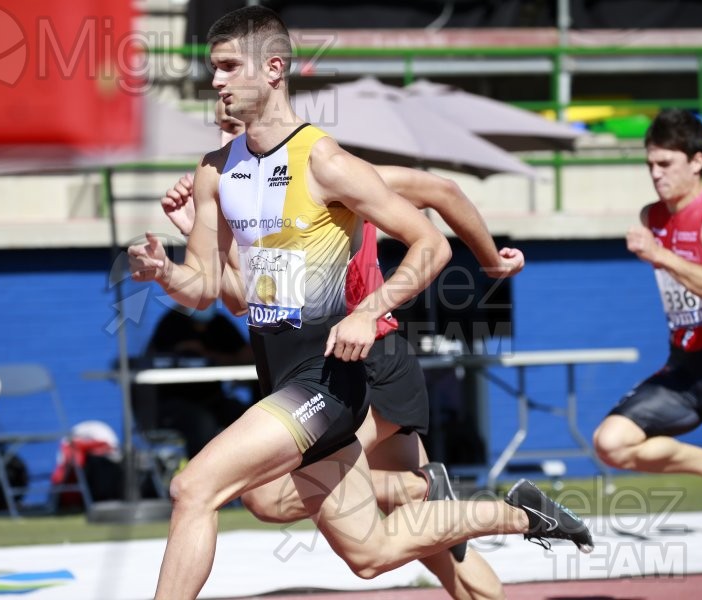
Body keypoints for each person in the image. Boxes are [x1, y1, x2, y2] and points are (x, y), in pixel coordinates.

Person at [128, 7, 592, 599]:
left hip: (334, 377)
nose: (214, 82)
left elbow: (431, 240)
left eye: (226, 67)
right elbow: (207, 289)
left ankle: (419, 489)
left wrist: (373, 308)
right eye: (211, 68)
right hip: (280, 377)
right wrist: (166, 272)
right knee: (368, 554)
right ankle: (526, 515)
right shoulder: (215, 173)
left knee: (194, 487)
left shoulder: (326, 161)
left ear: (274, 69)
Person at [161, 100, 525, 599]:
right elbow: (242, 303)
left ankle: (415, 486)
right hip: (326, 362)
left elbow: (442, 190)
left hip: (370, 358)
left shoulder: (339, 174)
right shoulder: (243, 198)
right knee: (422, 543)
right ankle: (443, 497)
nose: (226, 145)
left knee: (265, 494)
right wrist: (203, 235)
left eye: (233, 131)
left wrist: (491, 262)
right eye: (221, 133)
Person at [593, 108, 702, 527]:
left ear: (697, 161)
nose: (655, 174)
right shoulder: (652, 216)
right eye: (650, 164)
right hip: (683, 368)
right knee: (610, 443)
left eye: (665, 163)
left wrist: (660, 255)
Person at [137, 303, 255, 457]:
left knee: (249, 417)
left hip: (214, 400)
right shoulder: (171, 323)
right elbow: (153, 359)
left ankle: (253, 472)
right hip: (176, 403)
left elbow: (246, 355)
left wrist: (211, 356)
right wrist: (181, 352)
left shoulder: (219, 323)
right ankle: (205, 476)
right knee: (202, 422)